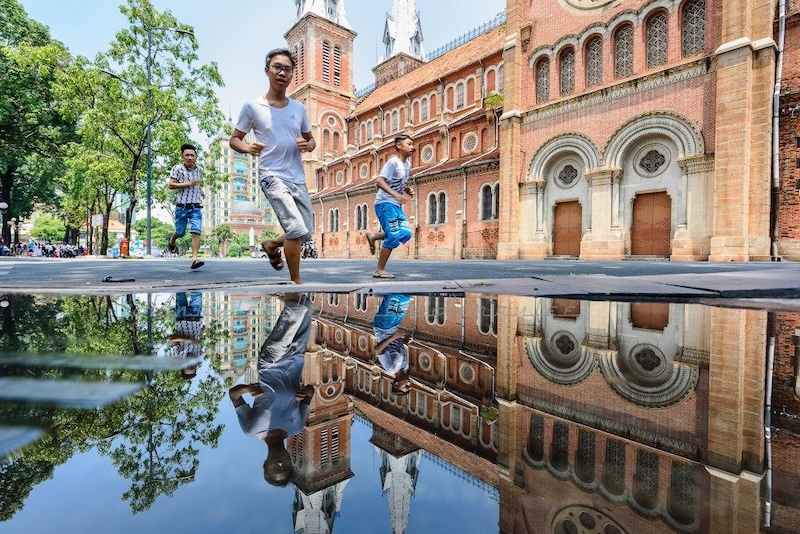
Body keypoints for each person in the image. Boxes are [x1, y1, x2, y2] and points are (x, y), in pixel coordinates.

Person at [229, 48, 316, 284]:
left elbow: (311, 140)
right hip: (271, 176)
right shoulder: (252, 107)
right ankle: (296, 281)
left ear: (292, 75)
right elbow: (234, 139)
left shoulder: (299, 109)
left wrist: (308, 145)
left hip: (297, 177)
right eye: (277, 67)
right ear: (267, 70)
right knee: (296, 228)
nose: (282, 72)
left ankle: (271, 244)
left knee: (307, 232)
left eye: (287, 69)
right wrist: (247, 148)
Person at [228, 293, 314, 486]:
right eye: (285, 466)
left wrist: (247, 388)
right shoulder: (297, 425)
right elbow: (310, 393)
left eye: (275, 468)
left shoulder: (251, 430)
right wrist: (307, 391)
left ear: (265, 464)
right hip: (297, 358)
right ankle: (283, 282)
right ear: (291, 461)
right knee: (307, 305)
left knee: (296, 309)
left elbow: (233, 395)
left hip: (271, 363)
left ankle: (277, 278)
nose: (280, 463)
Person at [366, 135, 415, 279]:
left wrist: (406, 189)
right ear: (399, 145)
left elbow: (398, 181)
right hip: (385, 203)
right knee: (393, 235)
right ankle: (379, 270)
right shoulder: (393, 162)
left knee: (405, 233)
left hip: (395, 204)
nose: (412, 147)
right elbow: (380, 181)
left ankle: (374, 235)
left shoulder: (407, 164)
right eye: (409, 144)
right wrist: (396, 195)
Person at [167, 143, 205, 269]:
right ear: (182, 156)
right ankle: (172, 239)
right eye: (187, 155)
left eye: (192, 155)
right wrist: (188, 183)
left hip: (196, 207)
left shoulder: (199, 170)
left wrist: (201, 191)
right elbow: (171, 185)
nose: (189, 157)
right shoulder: (177, 169)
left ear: (196, 157)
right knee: (181, 232)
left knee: (196, 231)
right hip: (181, 207)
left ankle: (194, 259)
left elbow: (197, 184)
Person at [372, 293, 413, 396]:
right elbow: (397, 346)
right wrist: (405, 341)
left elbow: (377, 350)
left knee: (393, 297)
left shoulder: (391, 368)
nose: (409, 383)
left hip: (383, 328)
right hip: (394, 327)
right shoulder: (406, 366)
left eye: (406, 386)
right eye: (410, 386)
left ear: (396, 384)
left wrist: (393, 337)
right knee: (406, 297)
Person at [169, 291, 204, 380]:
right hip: (196, 317)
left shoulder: (177, 356)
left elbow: (172, 339)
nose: (191, 366)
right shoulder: (199, 355)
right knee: (197, 293)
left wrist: (188, 340)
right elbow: (198, 340)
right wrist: (201, 331)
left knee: (179, 292)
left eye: (188, 368)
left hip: (182, 317)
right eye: (193, 368)